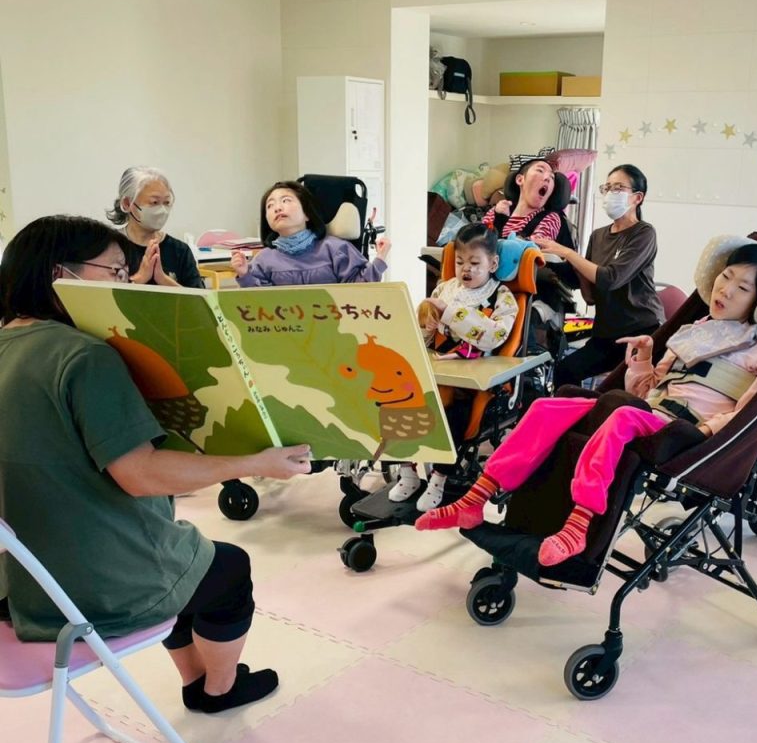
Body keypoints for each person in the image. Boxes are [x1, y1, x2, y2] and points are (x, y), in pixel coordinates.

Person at [0, 215, 312, 713]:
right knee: (229, 569)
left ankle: (193, 676)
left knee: (187, 553)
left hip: (19, 582)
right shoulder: (83, 357)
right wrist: (255, 462)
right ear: (61, 274)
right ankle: (218, 689)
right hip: (90, 585)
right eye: (115, 272)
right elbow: (140, 474)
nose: (123, 283)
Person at [417, 243, 757, 566]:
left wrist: (712, 431)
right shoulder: (694, 329)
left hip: (691, 432)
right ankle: (476, 497)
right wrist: (643, 360)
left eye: (743, 287)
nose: (726, 289)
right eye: (725, 277)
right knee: (551, 405)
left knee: (621, 415)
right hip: (650, 413)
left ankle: (578, 527)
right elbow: (646, 391)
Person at [390, 222, 519, 512]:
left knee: (455, 415)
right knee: (397, 401)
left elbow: (494, 336)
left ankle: (439, 478)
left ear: (493, 263)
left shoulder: (501, 297)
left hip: (474, 377)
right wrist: (425, 326)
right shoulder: (445, 288)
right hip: (439, 367)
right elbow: (423, 336)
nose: (466, 270)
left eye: (475, 263)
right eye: (460, 262)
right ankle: (407, 471)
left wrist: (449, 313)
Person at [533, 164, 663, 388]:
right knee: (565, 371)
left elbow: (610, 278)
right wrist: (565, 261)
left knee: (617, 389)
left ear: (637, 197)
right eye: (608, 187)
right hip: (606, 333)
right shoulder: (598, 236)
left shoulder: (644, 233)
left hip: (640, 332)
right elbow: (591, 297)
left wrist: (568, 253)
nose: (611, 193)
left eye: (618, 188)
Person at [231, 181, 391, 286]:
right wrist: (245, 274)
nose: (277, 208)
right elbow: (259, 303)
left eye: (286, 201)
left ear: (307, 213)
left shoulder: (336, 249)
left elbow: (361, 289)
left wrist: (380, 259)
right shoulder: (263, 260)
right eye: (270, 205)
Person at [106, 166, 204, 288]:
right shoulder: (108, 248)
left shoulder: (180, 251)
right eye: (154, 202)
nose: (162, 210)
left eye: (166, 202)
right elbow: (100, 295)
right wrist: (139, 279)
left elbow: (201, 297)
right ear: (127, 203)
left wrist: (163, 279)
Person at [484, 158, 563, 242]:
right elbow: (479, 242)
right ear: (520, 179)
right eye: (540, 170)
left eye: (552, 177)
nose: (548, 178)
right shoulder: (496, 211)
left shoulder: (550, 218)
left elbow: (533, 248)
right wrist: (498, 220)